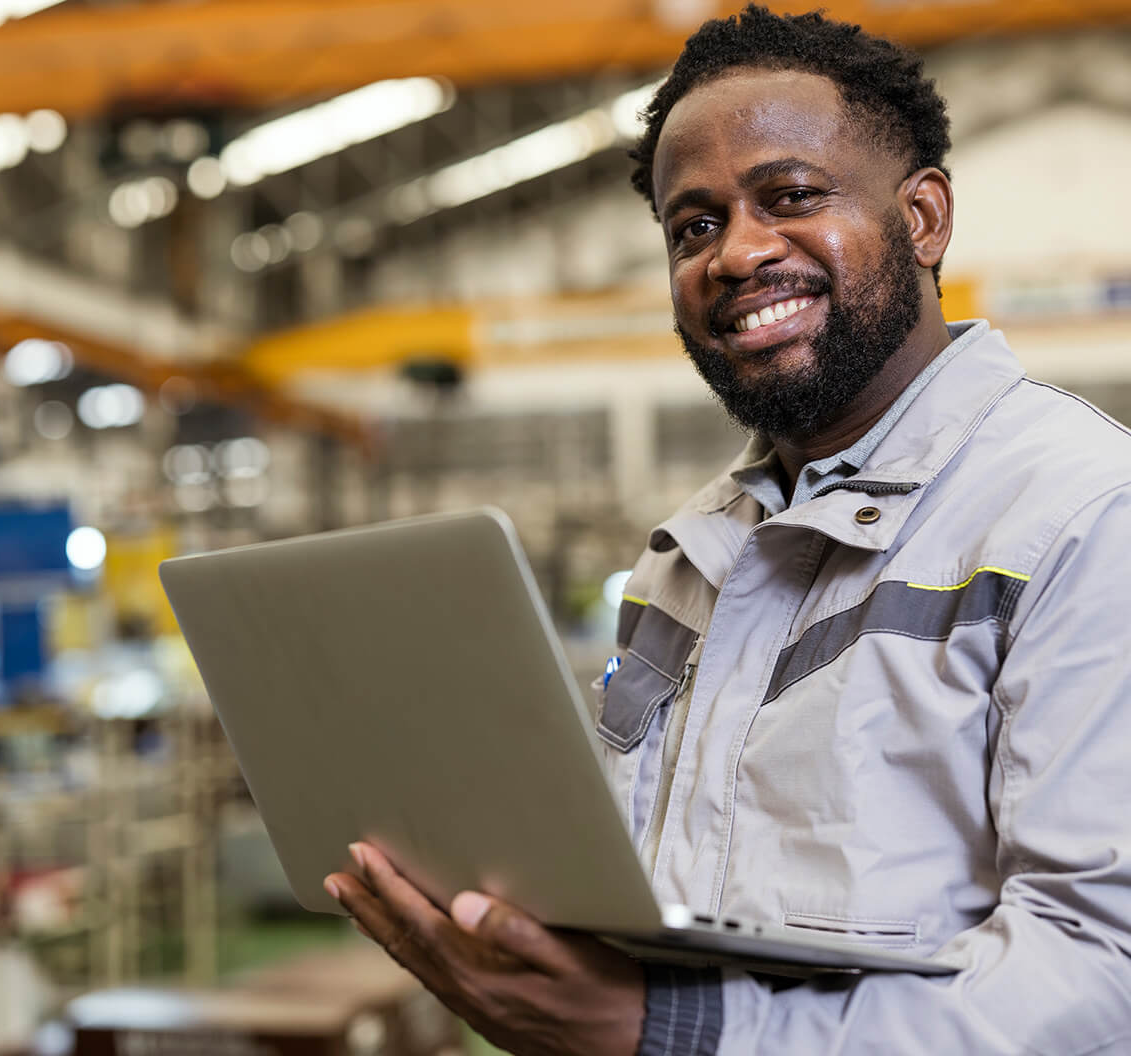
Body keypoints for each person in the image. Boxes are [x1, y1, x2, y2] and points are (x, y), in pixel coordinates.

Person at [325, 6, 1131, 1053]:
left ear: (924, 217)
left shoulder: (1083, 515)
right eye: (693, 226)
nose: (737, 253)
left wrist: (666, 1032)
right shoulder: (689, 554)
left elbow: (1101, 977)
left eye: (789, 196)